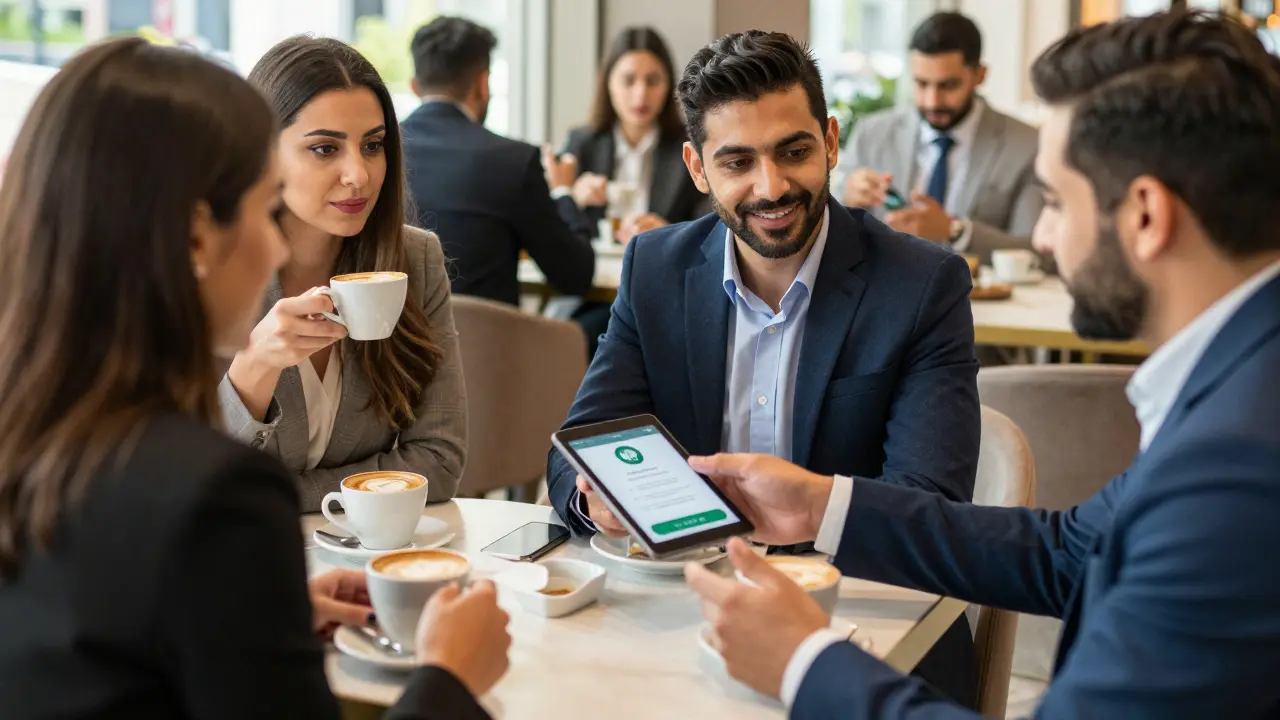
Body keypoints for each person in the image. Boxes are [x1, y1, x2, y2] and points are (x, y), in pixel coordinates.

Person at [685, 11, 1280, 718]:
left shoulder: (1235, 467)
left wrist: (803, 663)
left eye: (1054, 201)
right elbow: (1070, 552)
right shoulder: (1239, 382)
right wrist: (823, 505)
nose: (1045, 238)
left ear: (1146, 216)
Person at [0, 36, 509, 719]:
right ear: (195, 237)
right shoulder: (214, 495)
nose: (274, 247)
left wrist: (242, 613)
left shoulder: (39, 436)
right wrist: (448, 677)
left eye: (373, 145)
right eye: (260, 203)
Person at [546, 30, 980, 707]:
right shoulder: (656, 269)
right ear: (697, 169)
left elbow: (931, 506)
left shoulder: (923, 285)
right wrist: (594, 497)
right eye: (738, 162)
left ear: (830, 142)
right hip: (686, 622)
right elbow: (578, 447)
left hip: (865, 635)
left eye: (794, 152)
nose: (771, 186)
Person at [219, 37, 467, 512]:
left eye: (372, 145)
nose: (359, 175)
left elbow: (439, 460)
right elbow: (189, 476)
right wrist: (254, 367)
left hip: (367, 547)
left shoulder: (415, 259)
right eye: (324, 148)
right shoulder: (208, 270)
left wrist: (277, 496)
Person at [400, 16, 596, 312]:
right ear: (483, 83)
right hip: (486, 341)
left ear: (415, 86)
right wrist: (563, 192)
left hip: (394, 337)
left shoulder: (380, 151)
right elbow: (576, 275)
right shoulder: (513, 160)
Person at [838, 12, 1041, 265]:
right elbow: (828, 231)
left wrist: (955, 230)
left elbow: (1037, 251)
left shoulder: (1026, 146)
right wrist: (845, 198)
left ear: (980, 75)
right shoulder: (871, 134)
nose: (932, 101)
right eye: (921, 84)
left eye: (948, 85)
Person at [560, 26, 708, 244]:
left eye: (653, 81)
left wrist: (671, 234)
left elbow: (711, 226)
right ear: (609, 84)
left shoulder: (690, 147)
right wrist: (574, 198)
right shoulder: (582, 143)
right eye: (628, 81)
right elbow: (549, 227)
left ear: (669, 85)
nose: (640, 95)